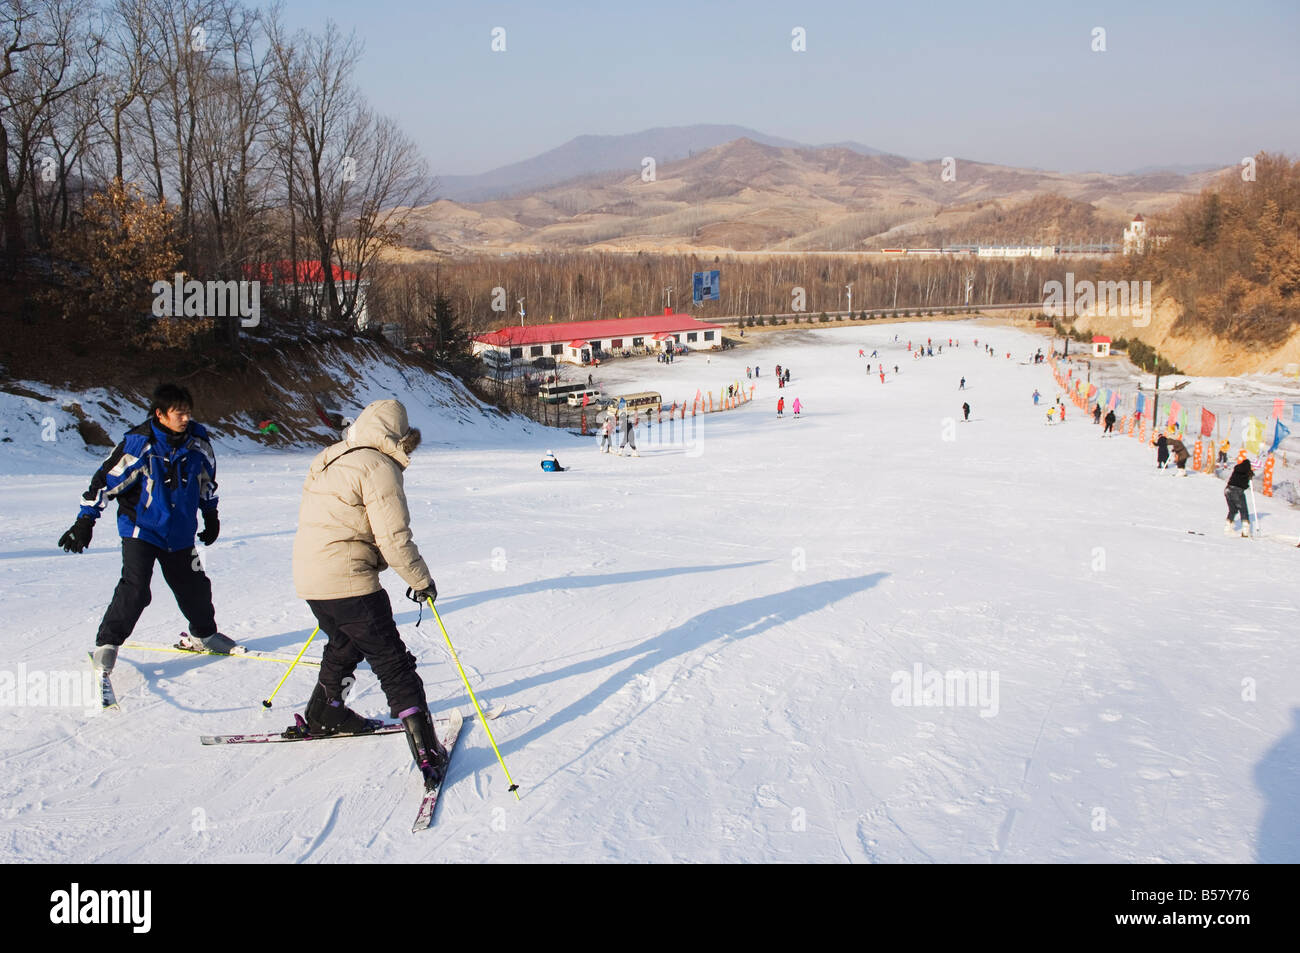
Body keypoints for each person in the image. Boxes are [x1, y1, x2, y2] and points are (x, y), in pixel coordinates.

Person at [291, 398, 449, 789]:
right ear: (397, 437)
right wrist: (420, 580)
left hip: (311, 578)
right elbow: (393, 538)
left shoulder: (328, 458)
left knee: (343, 644)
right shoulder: (379, 466)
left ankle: (324, 713)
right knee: (393, 662)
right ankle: (428, 754)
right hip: (349, 582)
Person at [59, 383, 235, 676]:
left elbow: (207, 480)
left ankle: (204, 635)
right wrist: (85, 520)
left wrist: (211, 514)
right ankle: (107, 644)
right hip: (141, 530)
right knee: (136, 588)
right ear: (160, 414)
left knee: (194, 586)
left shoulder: (198, 441)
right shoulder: (138, 444)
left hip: (179, 532)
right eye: (179, 413)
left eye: (188, 412)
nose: (185, 418)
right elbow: (103, 482)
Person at [1225, 458, 1254, 536]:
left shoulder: (1237, 469)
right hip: (1237, 491)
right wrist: (1250, 476)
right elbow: (1244, 485)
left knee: (1233, 509)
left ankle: (1228, 527)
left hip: (1228, 489)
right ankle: (1245, 531)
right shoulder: (1247, 472)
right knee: (1243, 510)